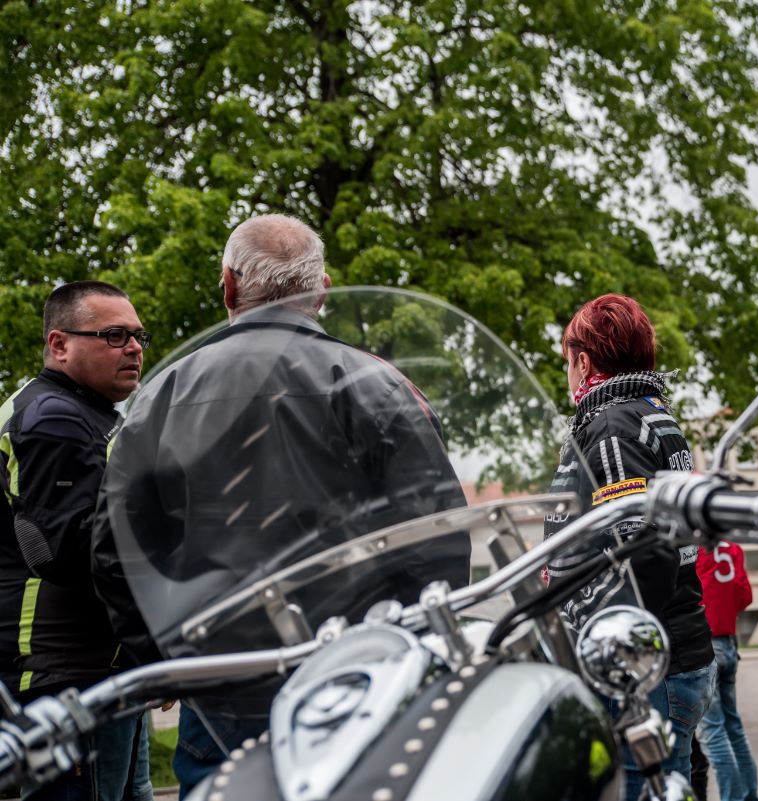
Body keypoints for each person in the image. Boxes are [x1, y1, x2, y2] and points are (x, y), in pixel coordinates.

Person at [91, 215, 469, 797]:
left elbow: (115, 548)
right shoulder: (380, 384)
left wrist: (165, 659)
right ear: (322, 291)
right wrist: (413, 655)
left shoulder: (160, 395)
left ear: (228, 286)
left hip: (219, 684)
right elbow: (438, 540)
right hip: (358, 681)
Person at [544, 294, 714, 800]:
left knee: (641, 788)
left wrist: (609, 645)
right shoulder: (648, 413)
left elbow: (644, 553)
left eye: (567, 361)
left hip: (643, 664)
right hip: (672, 650)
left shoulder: (612, 425)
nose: (568, 374)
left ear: (583, 361)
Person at [0, 281, 152, 800]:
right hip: (64, 671)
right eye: (114, 335)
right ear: (59, 344)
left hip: (96, 665)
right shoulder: (54, 418)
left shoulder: (82, 412)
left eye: (139, 336)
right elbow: (63, 550)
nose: (133, 348)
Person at [694, 541, 758, 801]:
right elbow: (745, 596)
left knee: (713, 733)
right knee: (734, 727)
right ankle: (750, 795)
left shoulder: (693, 548)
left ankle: (733, 798)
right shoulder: (732, 548)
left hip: (703, 642)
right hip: (728, 641)